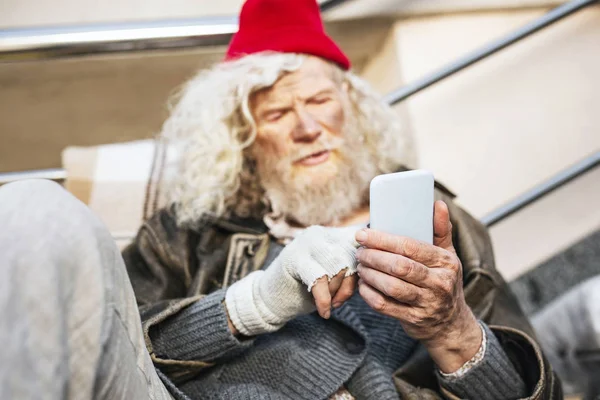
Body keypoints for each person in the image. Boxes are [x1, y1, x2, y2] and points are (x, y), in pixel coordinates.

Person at [0, 0, 562, 399]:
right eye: (276, 113)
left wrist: (450, 328)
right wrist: (252, 304)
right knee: (33, 204)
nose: (307, 126)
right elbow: (110, 337)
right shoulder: (187, 230)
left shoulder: (443, 223)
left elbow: (532, 394)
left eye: (320, 99)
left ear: (354, 109)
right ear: (245, 138)